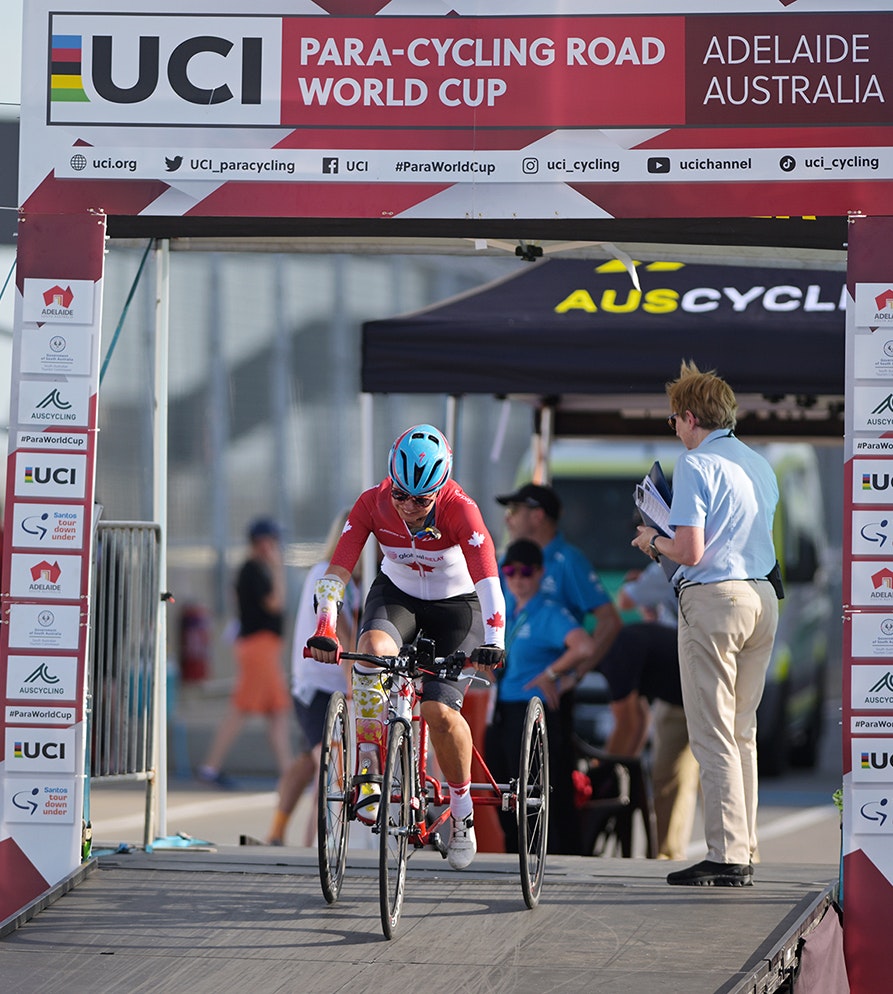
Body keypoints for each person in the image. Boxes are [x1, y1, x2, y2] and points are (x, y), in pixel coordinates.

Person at [305, 424, 506, 871]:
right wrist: (326, 626)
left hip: (457, 609)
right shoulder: (372, 503)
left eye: (421, 499)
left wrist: (495, 641)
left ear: (442, 490)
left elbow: (490, 584)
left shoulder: (462, 511)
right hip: (397, 597)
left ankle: (461, 812)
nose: (409, 507)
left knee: (439, 712)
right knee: (370, 654)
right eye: (401, 495)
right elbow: (336, 571)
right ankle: (373, 773)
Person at [632, 360, 780, 887]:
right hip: (763, 596)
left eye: (673, 420)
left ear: (690, 418)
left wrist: (651, 540)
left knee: (712, 732)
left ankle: (726, 854)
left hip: (715, 598)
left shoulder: (696, 464)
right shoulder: (759, 464)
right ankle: (744, 847)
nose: (674, 429)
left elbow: (690, 550)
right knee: (742, 732)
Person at [495, 481, 622, 852]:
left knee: (551, 786)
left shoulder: (567, 561)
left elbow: (609, 621)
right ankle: (520, 859)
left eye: (515, 510)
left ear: (536, 515)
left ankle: (565, 860)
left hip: (548, 697)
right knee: (509, 784)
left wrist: (573, 675)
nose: (508, 518)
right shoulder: (512, 557)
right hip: (509, 693)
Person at [487, 539, 595, 854]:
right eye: (510, 571)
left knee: (541, 787)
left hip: (534, 711)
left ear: (539, 573)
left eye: (526, 572)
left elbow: (585, 646)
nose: (518, 579)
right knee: (505, 785)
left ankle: (555, 854)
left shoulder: (549, 611)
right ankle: (517, 853)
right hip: (504, 709)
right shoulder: (507, 606)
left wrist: (555, 675)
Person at [593, 560, 699, 860]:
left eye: (640, 532)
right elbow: (637, 723)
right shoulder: (634, 642)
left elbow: (626, 724)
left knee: (712, 777)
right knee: (668, 778)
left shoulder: (665, 567)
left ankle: (734, 855)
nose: (637, 541)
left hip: (700, 682)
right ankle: (664, 857)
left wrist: (605, 773)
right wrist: (624, 769)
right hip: (682, 686)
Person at [266, 511, 361, 846]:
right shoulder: (327, 575)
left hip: (332, 684)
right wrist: (355, 694)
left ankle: (278, 832)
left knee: (309, 761)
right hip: (318, 685)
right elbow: (347, 638)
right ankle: (313, 844)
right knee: (328, 762)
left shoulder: (359, 584)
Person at [197, 518, 292, 789]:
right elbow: (276, 604)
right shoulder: (254, 570)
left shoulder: (253, 569)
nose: (275, 546)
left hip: (262, 646)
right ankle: (209, 767)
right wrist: (277, 570)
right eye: (271, 540)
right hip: (258, 647)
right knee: (242, 709)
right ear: (261, 542)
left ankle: (288, 771)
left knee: (277, 711)